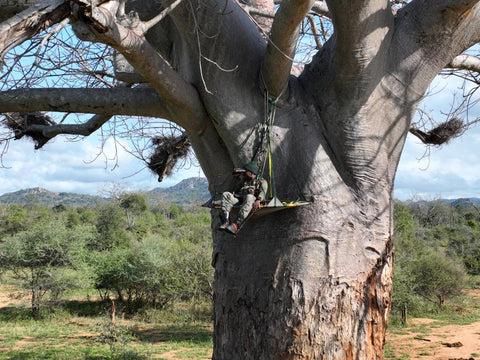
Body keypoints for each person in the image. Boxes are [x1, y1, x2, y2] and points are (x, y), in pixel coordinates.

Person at [219, 161, 268, 235]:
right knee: (226, 194)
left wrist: (258, 200)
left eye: (246, 172)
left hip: (251, 201)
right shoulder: (244, 181)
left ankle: (236, 225)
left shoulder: (261, 181)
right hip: (240, 200)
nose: (244, 173)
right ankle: (225, 221)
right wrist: (237, 178)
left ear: (251, 173)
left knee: (249, 197)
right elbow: (234, 191)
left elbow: (263, 193)